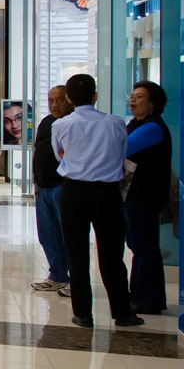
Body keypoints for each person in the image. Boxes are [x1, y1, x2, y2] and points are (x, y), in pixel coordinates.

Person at [51, 74, 143, 328]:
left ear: (69, 98)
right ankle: (122, 313)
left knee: (77, 253)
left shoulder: (61, 125)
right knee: (112, 254)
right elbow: (121, 154)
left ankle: (82, 313)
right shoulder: (115, 123)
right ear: (95, 95)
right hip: (106, 192)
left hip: (73, 191)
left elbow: (60, 157)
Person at [124, 81, 172, 315]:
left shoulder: (152, 127)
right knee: (138, 245)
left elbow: (121, 148)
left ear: (153, 104)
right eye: (132, 96)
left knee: (144, 246)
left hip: (145, 196)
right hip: (133, 195)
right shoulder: (135, 124)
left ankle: (147, 299)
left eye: (140, 97)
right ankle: (140, 296)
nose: (133, 100)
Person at [29, 85, 72, 292]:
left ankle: (75, 277)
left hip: (62, 187)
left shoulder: (72, 124)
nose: (54, 104)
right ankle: (57, 274)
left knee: (68, 234)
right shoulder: (47, 123)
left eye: (60, 100)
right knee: (47, 234)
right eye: (51, 100)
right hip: (43, 187)